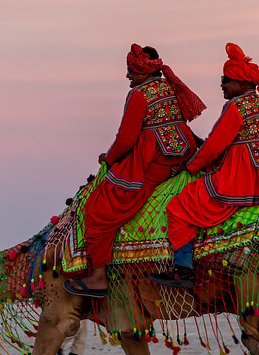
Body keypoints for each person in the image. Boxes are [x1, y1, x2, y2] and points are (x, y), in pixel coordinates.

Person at [65, 44, 206, 298]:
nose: (128, 76)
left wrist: (108, 158)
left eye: (131, 71)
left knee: (98, 209)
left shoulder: (139, 94)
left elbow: (126, 138)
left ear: (142, 70)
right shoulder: (168, 87)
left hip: (154, 163)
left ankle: (97, 277)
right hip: (178, 157)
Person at [151, 43, 259, 289]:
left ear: (242, 83)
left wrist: (192, 167)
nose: (222, 84)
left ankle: (183, 269)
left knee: (178, 206)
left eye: (226, 80)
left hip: (240, 180)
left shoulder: (236, 106)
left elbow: (215, 146)